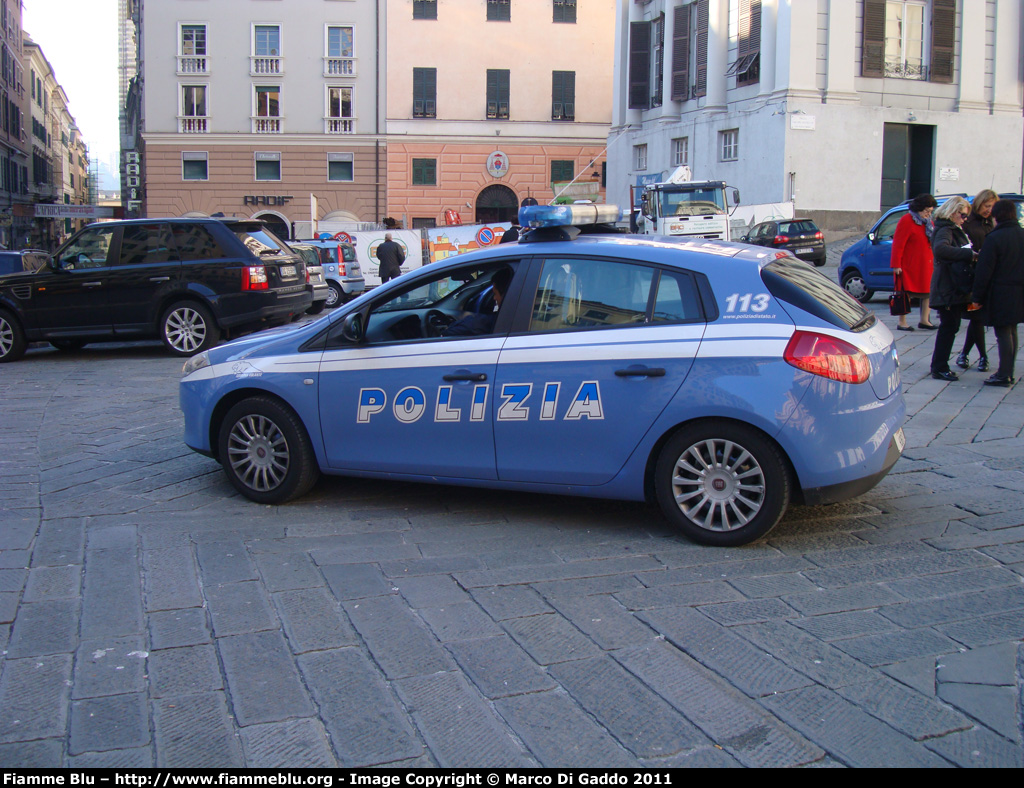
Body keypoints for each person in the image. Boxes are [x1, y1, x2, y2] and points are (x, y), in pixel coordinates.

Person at [969, 199, 1024, 386]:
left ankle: (1003, 374)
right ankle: (1009, 371)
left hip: (1001, 291)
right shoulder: (1022, 234)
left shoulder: (995, 238)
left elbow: (984, 271)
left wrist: (977, 297)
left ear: (996, 216)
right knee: (1012, 331)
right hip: (1019, 290)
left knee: (1003, 333)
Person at [928, 196, 976, 381]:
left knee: (951, 326)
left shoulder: (951, 229)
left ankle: (940, 365)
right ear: (953, 212)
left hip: (952, 285)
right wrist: (969, 254)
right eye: (962, 215)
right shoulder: (945, 229)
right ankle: (939, 366)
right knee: (949, 327)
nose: (964, 219)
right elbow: (940, 250)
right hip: (948, 286)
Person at [957, 189, 998, 371]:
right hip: (973, 274)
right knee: (977, 317)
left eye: (992, 207)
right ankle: (982, 357)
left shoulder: (991, 223)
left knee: (978, 318)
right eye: (987, 206)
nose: (989, 210)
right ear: (979, 204)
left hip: (988, 275)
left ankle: (966, 355)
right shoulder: (968, 223)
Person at [891, 193, 938, 331]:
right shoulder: (907, 220)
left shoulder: (929, 222)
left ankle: (924, 320)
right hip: (910, 265)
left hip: (926, 264)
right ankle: (902, 322)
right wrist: (896, 264)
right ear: (919, 208)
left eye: (930, 211)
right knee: (905, 293)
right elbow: (898, 244)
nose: (928, 214)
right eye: (926, 211)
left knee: (927, 293)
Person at [443, 267, 513, 336]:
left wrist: (448, 330)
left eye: (495, 294)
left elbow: (477, 325)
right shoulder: (516, 317)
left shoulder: (500, 321)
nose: (494, 298)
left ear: (505, 293)